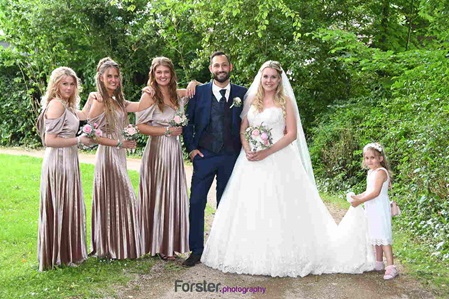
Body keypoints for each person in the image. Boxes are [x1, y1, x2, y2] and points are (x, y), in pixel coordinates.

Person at [201, 60, 375, 277]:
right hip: (250, 160)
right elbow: (244, 127)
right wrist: (247, 148)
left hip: (278, 157)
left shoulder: (286, 102)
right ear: (261, 77)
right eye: (266, 76)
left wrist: (266, 151)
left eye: (273, 77)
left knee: (281, 204)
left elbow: (291, 134)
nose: (269, 81)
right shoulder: (252, 100)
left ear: (279, 79)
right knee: (250, 204)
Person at [182, 51, 248, 267]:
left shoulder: (243, 93)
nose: (220, 69)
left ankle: (224, 249)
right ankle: (196, 250)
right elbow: (187, 122)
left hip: (231, 157)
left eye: (224, 65)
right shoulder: (198, 92)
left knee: (227, 204)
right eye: (216, 66)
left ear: (230, 67)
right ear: (211, 69)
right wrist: (191, 150)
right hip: (204, 156)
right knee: (196, 202)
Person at [137, 57, 195, 260]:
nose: (162, 76)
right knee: (160, 193)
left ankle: (170, 242)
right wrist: (166, 130)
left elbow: (194, 88)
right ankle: (158, 244)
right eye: (158, 72)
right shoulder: (149, 95)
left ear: (171, 74)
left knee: (172, 194)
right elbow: (140, 126)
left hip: (174, 152)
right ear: (153, 74)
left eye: (166, 72)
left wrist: (193, 83)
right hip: (158, 150)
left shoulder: (176, 95)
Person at [36, 67, 94, 271]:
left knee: (68, 204)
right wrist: (78, 139)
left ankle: (67, 252)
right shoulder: (56, 105)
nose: (68, 88)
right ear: (56, 85)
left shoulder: (67, 105)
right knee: (61, 203)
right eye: (64, 84)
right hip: (58, 162)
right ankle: (60, 255)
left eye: (72, 84)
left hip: (68, 159)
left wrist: (95, 96)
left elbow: (86, 114)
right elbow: (49, 140)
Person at [88, 57, 142, 260]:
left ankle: (119, 245)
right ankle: (112, 246)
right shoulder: (99, 100)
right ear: (101, 78)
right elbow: (92, 134)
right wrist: (119, 143)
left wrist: (153, 89)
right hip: (108, 155)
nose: (113, 80)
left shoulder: (118, 100)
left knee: (118, 198)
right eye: (109, 76)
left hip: (119, 154)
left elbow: (140, 106)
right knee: (124, 196)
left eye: (116, 76)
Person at [350, 143, 398, 280]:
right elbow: (369, 190)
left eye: (372, 157)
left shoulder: (381, 172)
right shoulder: (371, 172)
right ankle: (378, 263)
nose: (369, 161)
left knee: (383, 236)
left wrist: (360, 201)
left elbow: (376, 193)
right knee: (375, 235)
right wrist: (358, 196)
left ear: (380, 158)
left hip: (379, 207)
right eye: (366, 158)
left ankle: (391, 267)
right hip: (371, 207)